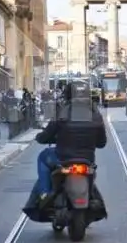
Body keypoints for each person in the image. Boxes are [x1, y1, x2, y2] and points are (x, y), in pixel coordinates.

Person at [26, 81, 108, 219]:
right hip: (87, 160)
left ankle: (45, 192)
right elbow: (102, 143)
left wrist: (40, 137)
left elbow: (47, 134)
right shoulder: (95, 114)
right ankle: (91, 196)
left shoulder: (63, 111)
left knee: (43, 157)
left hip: (63, 158)